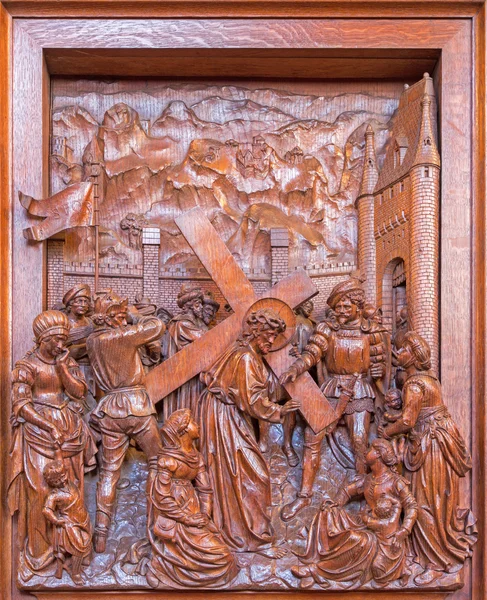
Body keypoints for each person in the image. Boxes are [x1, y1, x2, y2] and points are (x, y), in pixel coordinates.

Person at [279, 278, 388, 521]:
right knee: (311, 436)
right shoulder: (327, 329)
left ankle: (361, 493)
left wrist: (379, 375)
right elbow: (312, 354)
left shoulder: (373, 332)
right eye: (337, 307)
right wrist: (295, 369)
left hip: (359, 389)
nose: (340, 311)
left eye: (345, 306)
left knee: (359, 439)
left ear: (358, 307)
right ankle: (304, 494)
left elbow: (381, 367)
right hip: (331, 387)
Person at [199, 305, 300, 557]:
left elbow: (258, 390)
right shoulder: (245, 357)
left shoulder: (245, 353)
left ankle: (243, 532)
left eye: (274, 338)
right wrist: (281, 411)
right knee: (252, 475)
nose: (271, 342)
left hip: (226, 413)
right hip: (224, 417)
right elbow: (252, 400)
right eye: (268, 336)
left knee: (236, 474)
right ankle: (253, 539)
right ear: (256, 333)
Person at [378, 332, 477, 585]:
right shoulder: (428, 378)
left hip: (430, 444)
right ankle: (427, 556)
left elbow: (409, 420)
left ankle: (435, 564)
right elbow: (417, 413)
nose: (397, 354)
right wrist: (397, 418)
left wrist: (386, 431)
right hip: (439, 440)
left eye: (401, 350)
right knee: (436, 501)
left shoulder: (413, 384)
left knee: (425, 501)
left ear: (412, 353)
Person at [8, 310, 96, 574]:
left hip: (69, 432)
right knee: (41, 493)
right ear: (42, 339)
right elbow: (21, 405)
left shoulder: (65, 362)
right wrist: (48, 426)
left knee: (73, 494)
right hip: (39, 433)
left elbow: (79, 391)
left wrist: (62, 368)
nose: (61, 345)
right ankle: (40, 554)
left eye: (64, 340)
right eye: (56, 340)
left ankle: (72, 552)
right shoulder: (26, 366)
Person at [86, 290, 165, 553]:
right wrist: (133, 316)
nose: (123, 319)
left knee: (108, 473)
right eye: (118, 315)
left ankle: (100, 537)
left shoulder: (92, 342)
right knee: (159, 462)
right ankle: (159, 524)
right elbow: (157, 326)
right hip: (136, 407)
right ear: (110, 318)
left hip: (110, 410)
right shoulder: (122, 336)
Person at [292, 439, 417, 588]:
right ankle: (318, 557)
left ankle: (316, 570)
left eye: (370, 449)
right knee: (328, 513)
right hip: (366, 523)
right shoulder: (368, 479)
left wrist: (404, 530)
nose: (366, 452)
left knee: (357, 539)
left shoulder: (395, 482)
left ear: (378, 454)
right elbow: (347, 491)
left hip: (385, 536)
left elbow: (412, 506)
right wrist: (336, 503)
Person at [144, 409, 237, 589]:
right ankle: (163, 568)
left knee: (225, 557)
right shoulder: (168, 460)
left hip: (194, 511)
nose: (197, 425)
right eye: (193, 422)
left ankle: (177, 570)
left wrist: (204, 514)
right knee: (222, 557)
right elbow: (161, 497)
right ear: (183, 430)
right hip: (175, 516)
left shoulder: (196, 457)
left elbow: (205, 489)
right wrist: (187, 519)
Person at [42, 460, 93, 585]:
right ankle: (75, 573)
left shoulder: (70, 484)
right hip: (69, 524)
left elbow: (59, 460)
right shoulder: (54, 496)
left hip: (82, 520)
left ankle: (70, 563)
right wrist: (57, 520)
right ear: (52, 482)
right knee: (79, 547)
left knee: (86, 542)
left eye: (64, 476)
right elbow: (46, 510)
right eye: (57, 480)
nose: (63, 480)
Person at [164, 284, 208, 419]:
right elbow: (206, 340)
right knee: (189, 406)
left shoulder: (196, 323)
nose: (201, 308)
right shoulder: (182, 324)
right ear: (190, 306)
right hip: (186, 377)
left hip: (195, 374)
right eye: (198, 304)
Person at [62, 284, 96, 417]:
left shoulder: (90, 322)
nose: (83, 304)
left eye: (86, 301)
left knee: (91, 403)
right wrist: (89, 345)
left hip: (90, 370)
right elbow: (66, 351)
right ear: (70, 304)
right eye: (79, 301)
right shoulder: (65, 324)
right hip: (72, 370)